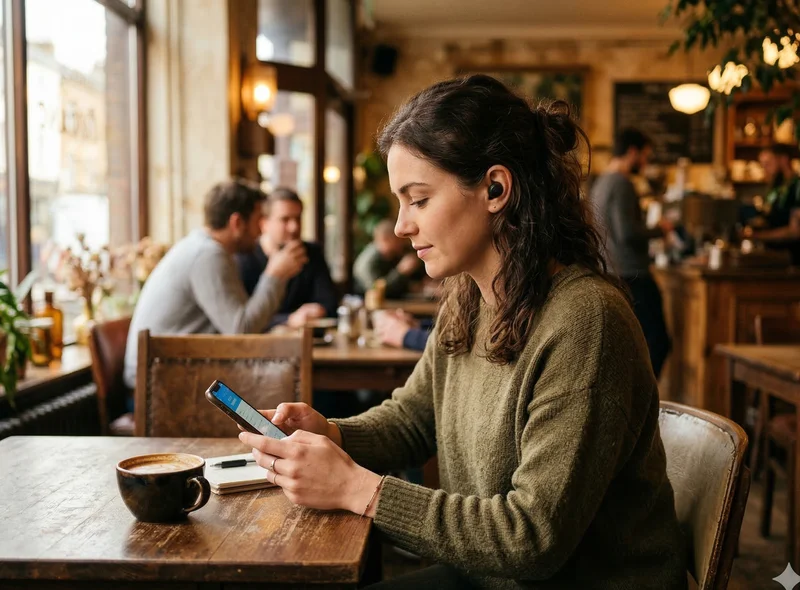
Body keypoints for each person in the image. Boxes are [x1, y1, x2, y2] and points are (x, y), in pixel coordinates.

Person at [238, 76, 687, 589]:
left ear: (496, 189)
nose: (402, 225)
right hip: (490, 576)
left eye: (419, 199)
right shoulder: (472, 298)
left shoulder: (587, 321)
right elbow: (412, 419)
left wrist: (356, 488)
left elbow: (531, 538)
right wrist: (332, 433)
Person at [123, 179, 307, 389]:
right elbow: (241, 331)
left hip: (168, 374)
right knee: (287, 388)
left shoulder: (205, 248)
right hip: (156, 386)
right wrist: (276, 275)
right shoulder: (207, 255)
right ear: (237, 223)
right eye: (258, 221)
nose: (261, 232)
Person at [590, 128, 672, 378]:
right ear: (632, 152)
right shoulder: (622, 183)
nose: (645, 162)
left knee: (629, 345)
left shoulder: (601, 182)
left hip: (610, 271)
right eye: (645, 156)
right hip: (632, 274)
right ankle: (645, 402)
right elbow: (627, 233)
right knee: (658, 342)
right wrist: (659, 229)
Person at [236, 187, 338, 328]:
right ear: (264, 223)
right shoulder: (244, 257)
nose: (294, 227)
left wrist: (318, 310)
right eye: (285, 219)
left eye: (298, 218)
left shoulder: (312, 253)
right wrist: (288, 319)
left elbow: (331, 305)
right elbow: (242, 319)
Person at [747, 143, 800, 264]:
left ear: (783, 159)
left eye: (768, 163)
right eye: (763, 165)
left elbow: (795, 231)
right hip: (774, 255)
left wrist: (758, 236)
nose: (765, 169)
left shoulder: (797, 186)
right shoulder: (776, 188)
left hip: (792, 259)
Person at [353, 219, 421, 297]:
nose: (402, 244)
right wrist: (401, 272)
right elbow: (376, 291)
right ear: (386, 239)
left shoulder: (394, 254)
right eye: (398, 240)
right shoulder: (369, 262)